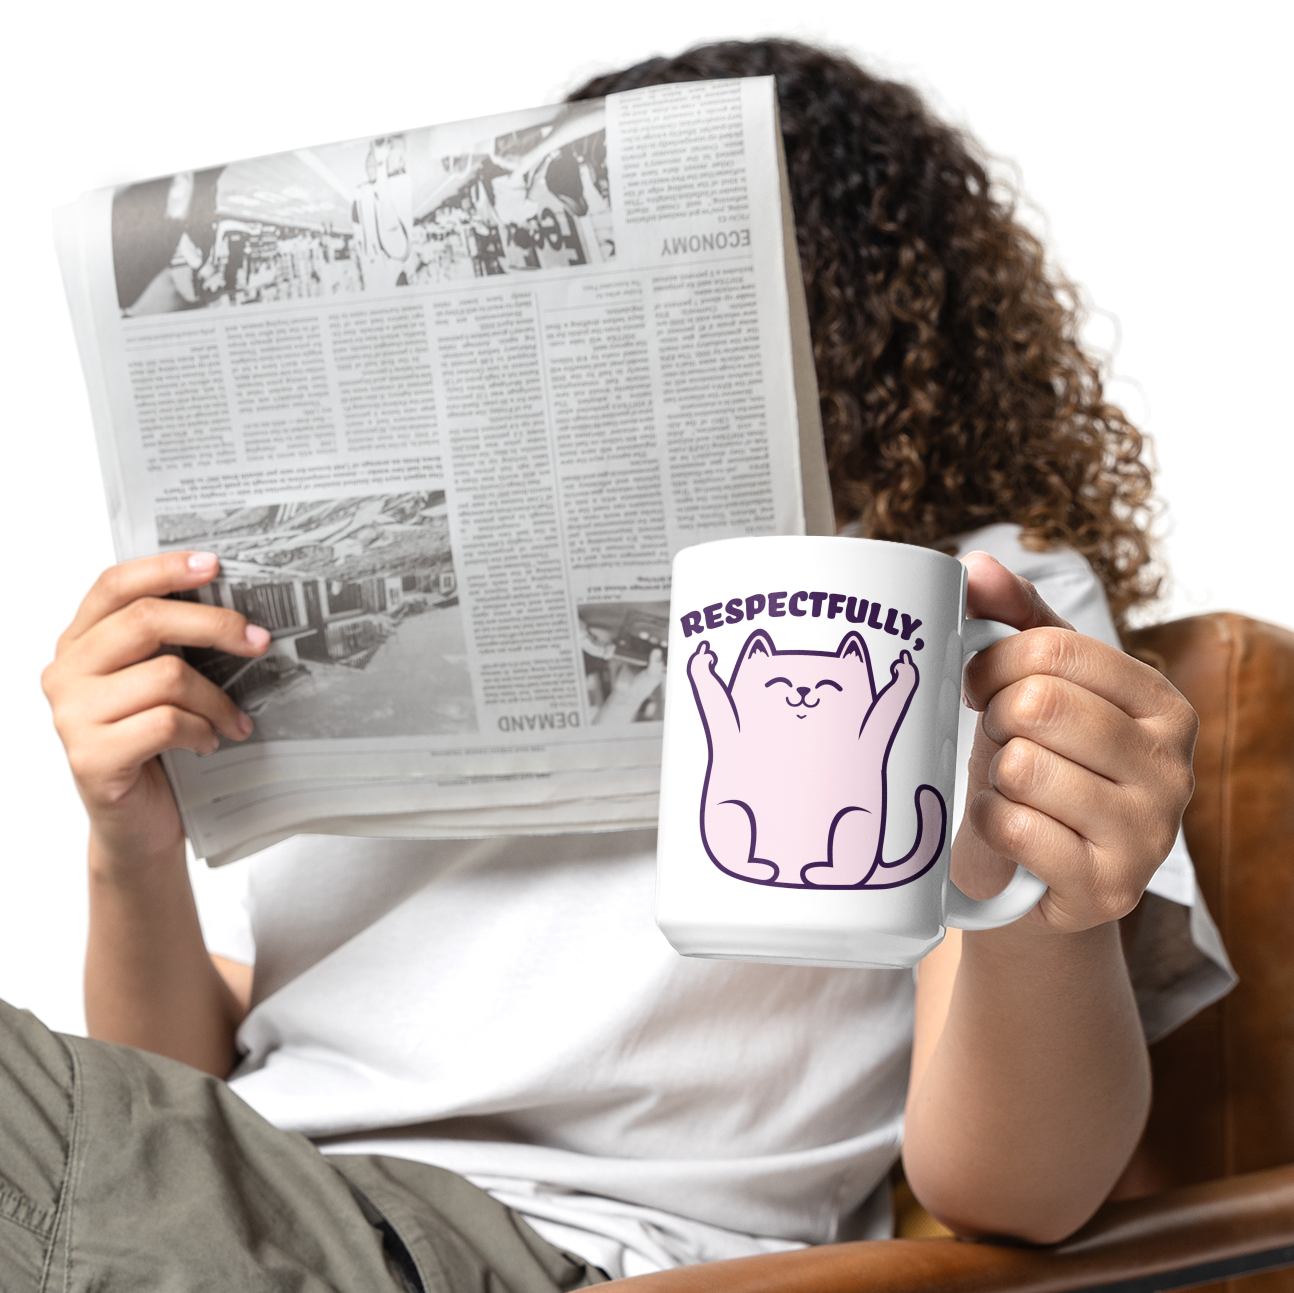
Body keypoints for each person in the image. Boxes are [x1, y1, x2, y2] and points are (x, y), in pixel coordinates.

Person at [22, 37, 1214, 1292]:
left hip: (569, 1254)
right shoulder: (374, 569)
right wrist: (129, 844)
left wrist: (1050, 913)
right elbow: (174, 1113)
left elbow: (1015, 1199)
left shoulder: (959, 597)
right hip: (247, 1196)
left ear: (845, 313)